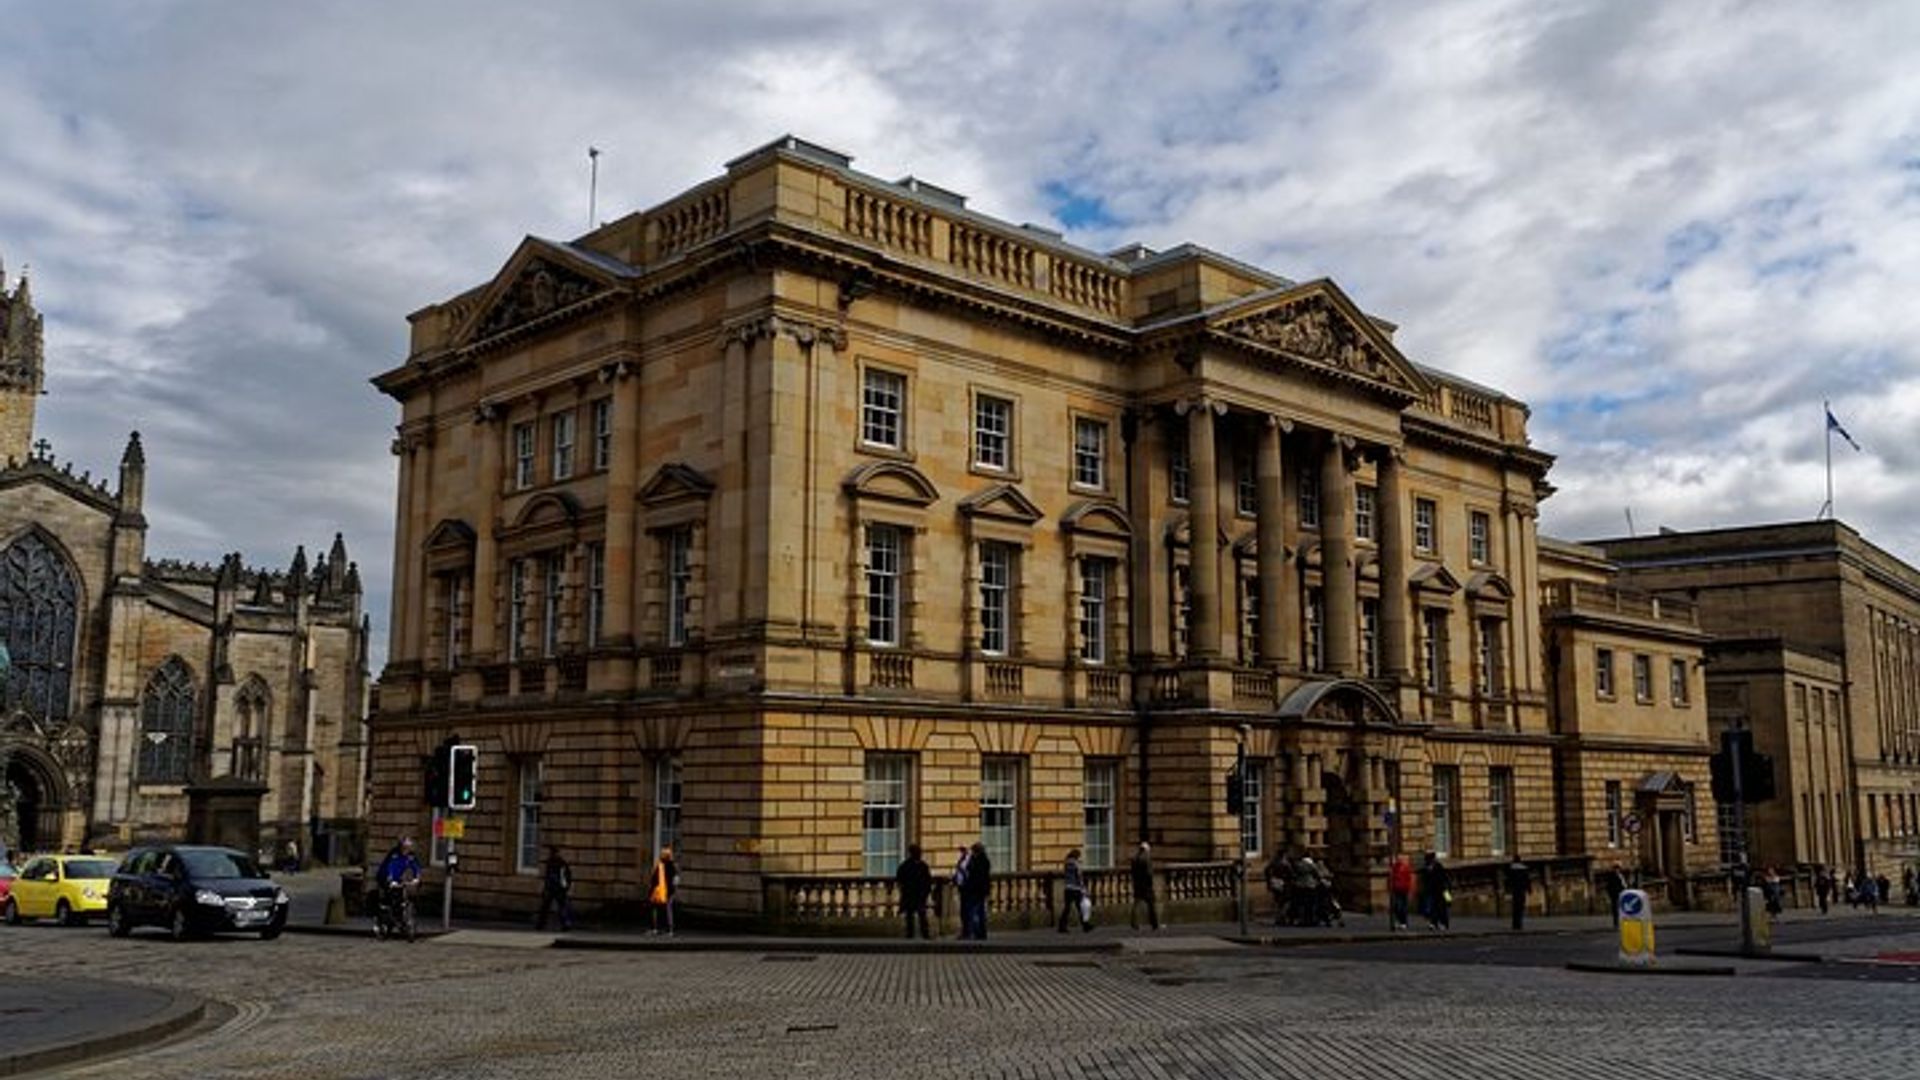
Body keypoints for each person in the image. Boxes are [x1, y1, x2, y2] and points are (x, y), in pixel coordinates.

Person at [896, 844, 933, 940]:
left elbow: (928, 881)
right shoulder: (915, 866)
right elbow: (900, 879)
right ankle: (917, 934)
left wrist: (926, 891)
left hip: (916, 894)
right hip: (912, 894)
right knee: (914, 915)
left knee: (918, 915)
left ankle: (919, 934)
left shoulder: (910, 865)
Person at [536, 845, 573, 932]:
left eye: (553, 853)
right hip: (554, 887)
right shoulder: (554, 862)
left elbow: (565, 876)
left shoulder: (560, 863)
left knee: (558, 907)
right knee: (550, 906)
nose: (552, 855)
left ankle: (564, 924)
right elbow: (549, 876)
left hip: (557, 888)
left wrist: (565, 887)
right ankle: (542, 924)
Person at [960, 842, 992, 941]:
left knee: (973, 912)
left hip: (975, 890)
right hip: (980, 890)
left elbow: (971, 871)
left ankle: (974, 933)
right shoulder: (984, 860)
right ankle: (980, 933)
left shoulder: (978, 861)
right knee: (979, 912)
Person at [1057, 848, 1093, 932]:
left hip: (1068, 888)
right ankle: (1085, 925)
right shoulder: (1076, 864)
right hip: (1076, 888)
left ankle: (1062, 925)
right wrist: (1083, 888)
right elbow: (1079, 877)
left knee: (1067, 908)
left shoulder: (1066, 863)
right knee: (1080, 908)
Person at [648, 845, 679, 935]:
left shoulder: (660, 865)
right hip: (669, 891)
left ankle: (655, 928)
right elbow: (676, 880)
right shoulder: (673, 866)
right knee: (668, 909)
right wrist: (674, 890)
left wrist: (651, 890)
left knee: (655, 909)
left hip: (659, 891)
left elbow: (654, 879)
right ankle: (669, 930)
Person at [1129, 841, 1159, 931]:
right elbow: (1149, 873)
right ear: (1146, 850)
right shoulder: (1147, 858)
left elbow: (1133, 873)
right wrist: (1150, 884)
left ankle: (1134, 923)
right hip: (1146, 885)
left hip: (1137, 884)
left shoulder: (1134, 859)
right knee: (1151, 904)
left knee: (1136, 904)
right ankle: (1154, 923)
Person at [1420, 852, 1451, 932]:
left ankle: (1444, 924)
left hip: (1440, 891)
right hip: (1431, 891)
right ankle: (1434, 923)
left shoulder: (1438, 867)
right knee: (1432, 908)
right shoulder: (1426, 868)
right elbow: (1424, 880)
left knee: (1441, 909)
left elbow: (1443, 878)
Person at [1263, 849, 1291, 927]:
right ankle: (1281, 918)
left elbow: (1266, 870)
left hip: (1275, 882)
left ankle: (1278, 918)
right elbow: (1290, 873)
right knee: (1285, 901)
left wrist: (1270, 879)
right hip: (1283, 883)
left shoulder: (1273, 862)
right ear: (1284, 855)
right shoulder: (1285, 863)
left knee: (1278, 901)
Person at [1387, 854, 1415, 931]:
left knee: (1402, 907)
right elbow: (1391, 879)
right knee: (1397, 906)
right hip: (1397, 889)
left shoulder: (1405, 868)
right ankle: (1400, 921)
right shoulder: (1394, 868)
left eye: (1400, 859)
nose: (1399, 860)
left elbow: (1409, 879)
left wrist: (1410, 889)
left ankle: (1403, 922)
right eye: (1398, 859)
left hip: (1404, 889)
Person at [1505, 857, 1531, 931]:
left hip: (1515, 890)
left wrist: (1508, 890)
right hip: (1522, 890)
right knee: (1521, 907)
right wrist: (1529, 889)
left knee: (1515, 908)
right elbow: (1527, 880)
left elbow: (1508, 881)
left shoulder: (1511, 870)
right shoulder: (1524, 870)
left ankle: (1515, 924)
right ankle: (1520, 924)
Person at [1601, 861, 1627, 927]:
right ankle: (1616, 923)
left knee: (1621, 908)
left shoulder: (1621, 875)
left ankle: (1621, 921)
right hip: (1615, 894)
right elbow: (1609, 886)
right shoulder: (1611, 876)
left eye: (1618, 868)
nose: (1617, 869)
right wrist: (1610, 894)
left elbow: (1623, 884)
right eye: (1615, 868)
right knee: (1615, 909)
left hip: (1622, 894)